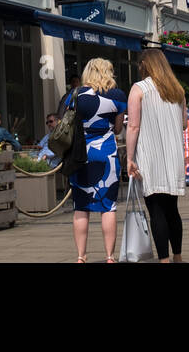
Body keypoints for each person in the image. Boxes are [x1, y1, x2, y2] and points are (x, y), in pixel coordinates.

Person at [125, 48, 188, 263]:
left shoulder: (139, 89)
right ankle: (177, 256)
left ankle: (163, 259)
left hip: (150, 156)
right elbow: (184, 123)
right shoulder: (177, 90)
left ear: (145, 65)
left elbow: (133, 126)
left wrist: (129, 158)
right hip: (173, 157)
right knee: (172, 209)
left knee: (156, 210)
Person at [69, 57, 128, 263]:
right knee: (108, 207)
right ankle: (110, 257)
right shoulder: (118, 96)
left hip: (80, 154)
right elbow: (119, 129)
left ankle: (80, 256)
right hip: (107, 153)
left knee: (81, 206)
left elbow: (67, 124)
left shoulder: (75, 94)